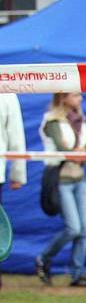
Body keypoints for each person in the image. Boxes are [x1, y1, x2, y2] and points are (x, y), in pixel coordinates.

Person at [36, 92, 86, 288]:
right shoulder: (52, 121)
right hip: (61, 180)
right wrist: (78, 153)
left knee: (84, 230)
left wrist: (82, 154)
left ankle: (77, 274)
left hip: (80, 178)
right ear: (63, 97)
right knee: (73, 228)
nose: (80, 99)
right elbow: (63, 148)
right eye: (75, 95)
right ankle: (44, 258)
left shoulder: (81, 120)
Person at [0, 93, 27, 291]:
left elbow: (15, 134)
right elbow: (15, 134)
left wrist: (18, 172)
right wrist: (18, 174)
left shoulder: (7, 91)